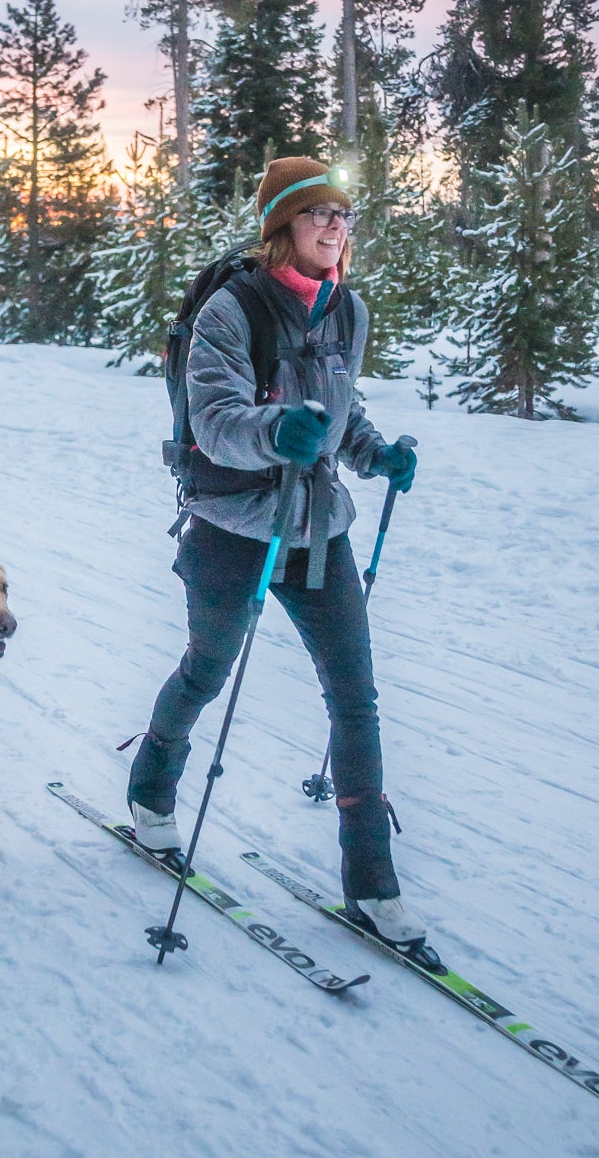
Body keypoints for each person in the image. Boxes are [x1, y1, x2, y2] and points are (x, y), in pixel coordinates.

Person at [126, 155, 426, 948]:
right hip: (232, 526)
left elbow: (338, 412)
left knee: (354, 698)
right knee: (207, 670)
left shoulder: (346, 310)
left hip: (319, 527)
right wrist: (271, 433)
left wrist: (374, 452)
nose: (335, 225)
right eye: (317, 213)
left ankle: (373, 883)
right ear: (281, 228)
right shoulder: (233, 308)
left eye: (343, 214)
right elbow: (214, 417)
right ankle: (152, 795)